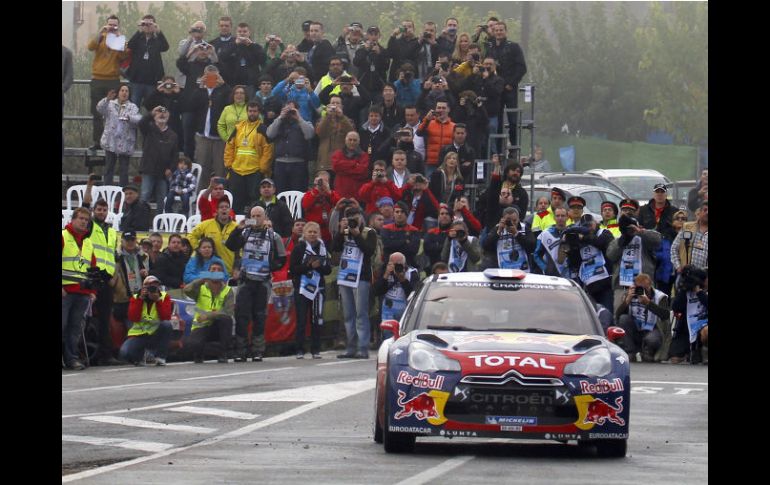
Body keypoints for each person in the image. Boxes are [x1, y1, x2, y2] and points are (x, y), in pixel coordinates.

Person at [225, 206, 287, 361]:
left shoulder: (274, 236)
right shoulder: (245, 233)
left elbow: (282, 259)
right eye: (253, 215)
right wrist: (238, 229)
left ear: (264, 217)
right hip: (246, 280)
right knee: (242, 316)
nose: (256, 218)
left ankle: (258, 350)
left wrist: (269, 267)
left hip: (263, 281)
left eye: (259, 215)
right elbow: (231, 245)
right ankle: (241, 351)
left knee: (260, 316)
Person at [332, 207, 378, 359]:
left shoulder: (368, 232)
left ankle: (362, 348)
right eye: (349, 216)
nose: (353, 219)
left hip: (361, 277)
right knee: (348, 314)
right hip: (346, 275)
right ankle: (351, 347)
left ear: (361, 217)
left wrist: (357, 235)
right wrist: (341, 231)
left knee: (361, 313)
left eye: (355, 216)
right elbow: (335, 248)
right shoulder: (345, 232)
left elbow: (369, 251)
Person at [85, 199, 123, 366]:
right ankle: (82, 352)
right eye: (99, 209)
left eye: (104, 210)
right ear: (94, 210)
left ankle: (105, 354)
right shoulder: (90, 226)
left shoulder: (112, 231)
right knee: (85, 317)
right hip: (92, 277)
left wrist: (113, 277)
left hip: (106, 280)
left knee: (105, 319)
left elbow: (112, 256)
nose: (101, 212)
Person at [62, 208, 98, 370]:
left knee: (75, 329)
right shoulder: (63, 236)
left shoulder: (88, 243)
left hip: (82, 293)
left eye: (86, 219)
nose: (84, 221)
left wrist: (93, 291)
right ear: (73, 219)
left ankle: (71, 359)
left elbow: (93, 270)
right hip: (65, 292)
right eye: (81, 218)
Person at [290, 222, 332, 359]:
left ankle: (316, 349)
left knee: (316, 320)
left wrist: (318, 266)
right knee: (301, 320)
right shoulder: (299, 248)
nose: (312, 234)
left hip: (318, 289)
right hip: (302, 288)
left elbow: (328, 270)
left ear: (318, 233)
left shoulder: (323, 248)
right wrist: (308, 266)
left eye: (315, 232)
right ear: (305, 233)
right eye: (310, 232)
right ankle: (299, 349)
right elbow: (294, 269)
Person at [223, 101, 274, 215]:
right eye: (250, 111)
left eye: (254, 111)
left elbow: (268, 150)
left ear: (258, 113)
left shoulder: (262, 128)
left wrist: (262, 168)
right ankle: (236, 224)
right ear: (247, 112)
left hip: (254, 170)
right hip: (237, 169)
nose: (252, 113)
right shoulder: (238, 127)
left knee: (254, 200)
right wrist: (229, 165)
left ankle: (252, 224)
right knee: (236, 200)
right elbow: (229, 146)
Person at [88, 15, 129, 151]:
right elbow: (90, 46)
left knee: (114, 112)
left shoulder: (120, 39)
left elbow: (124, 56)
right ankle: (97, 142)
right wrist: (101, 32)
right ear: (106, 24)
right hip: (98, 79)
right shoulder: (100, 37)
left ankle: (112, 141)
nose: (112, 27)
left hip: (112, 80)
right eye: (110, 24)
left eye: (114, 25)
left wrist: (119, 39)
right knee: (97, 113)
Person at [183, 262, 234, 363]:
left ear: (223, 274)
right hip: (201, 326)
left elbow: (228, 312)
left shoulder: (228, 290)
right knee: (191, 345)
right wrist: (201, 280)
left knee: (226, 320)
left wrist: (209, 315)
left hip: (218, 326)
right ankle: (199, 353)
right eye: (213, 270)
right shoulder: (201, 288)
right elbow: (187, 290)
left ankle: (223, 353)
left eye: (218, 270)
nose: (215, 272)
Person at [607, 214, 662, 308]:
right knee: (620, 318)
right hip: (622, 287)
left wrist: (640, 232)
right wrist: (624, 239)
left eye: (632, 227)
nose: (630, 230)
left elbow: (657, 241)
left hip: (644, 286)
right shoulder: (618, 240)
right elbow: (610, 255)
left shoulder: (644, 238)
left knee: (645, 316)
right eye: (628, 228)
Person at [487, 21, 527, 149]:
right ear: (493, 32)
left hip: (509, 89)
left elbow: (522, 67)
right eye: (496, 30)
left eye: (501, 30)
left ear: (506, 32)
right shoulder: (490, 48)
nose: (498, 32)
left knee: (513, 120)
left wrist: (511, 83)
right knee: (497, 122)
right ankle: (498, 150)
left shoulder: (513, 47)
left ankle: (514, 147)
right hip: (495, 90)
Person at [615, 273, 669, 362]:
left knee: (652, 339)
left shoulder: (660, 297)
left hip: (653, 330)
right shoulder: (630, 295)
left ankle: (648, 352)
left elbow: (665, 315)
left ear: (650, 286)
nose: (642, 291)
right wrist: (626, 301)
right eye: (639, 288)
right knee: (623, 319)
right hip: (636, 329)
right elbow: (617, 316)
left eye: (644, 288)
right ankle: (630, 352)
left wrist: (649, 303)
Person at [119, 275, 173, 366]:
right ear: (144, 288)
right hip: (140, 335)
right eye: (150, 287)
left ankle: (160, 357)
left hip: (156, 334)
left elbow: (166, 317)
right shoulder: (136, 297)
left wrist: (158, 300)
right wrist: (140, 300)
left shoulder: (164, 297)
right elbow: (133, 317)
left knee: (167, 325)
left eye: (155, 286)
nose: (153, 289)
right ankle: (140, 356)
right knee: (125, 353)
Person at [96, 85, 142, 186]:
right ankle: (106, 191)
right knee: (108, 168)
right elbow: (99, 108)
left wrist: (129, 118)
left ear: (129, 94)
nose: (124, 93)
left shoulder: (133, 107)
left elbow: (139, 119)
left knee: (124, 170)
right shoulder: (110, 104)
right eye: (122, 90)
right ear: (118, 92)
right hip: (110, 141)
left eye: (126, 91)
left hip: (125, 142)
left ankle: (123, 193)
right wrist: (107, 99)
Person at [266, 101, 315, 193]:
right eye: (286, 110)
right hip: (280, 164)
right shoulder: (278, 123)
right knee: (280, 193)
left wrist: (299, 118)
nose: (289, 113)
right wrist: (280, 117)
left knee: (298, 192)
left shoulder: (304, 122)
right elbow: (270, 134)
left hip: (298, 164)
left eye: (292, 110)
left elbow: (309, 134)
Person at [138, 106, 179, 209]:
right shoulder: (149, 129)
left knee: (162, 200)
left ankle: (160, 224)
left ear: (168, 116)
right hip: (148, 169)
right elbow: (141, 123)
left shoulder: (173, 135)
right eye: (159, 112)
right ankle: (140, 222)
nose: (162, 114)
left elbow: (175, 155)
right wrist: (151, 113)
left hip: (163, 173)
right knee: (144, 196)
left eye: (165, 112)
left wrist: (171, 169)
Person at [126, 15, 169, 108]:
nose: (147, 26)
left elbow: (165, 47)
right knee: (133, 108)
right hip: (136, 80)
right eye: (145, 23)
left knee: (152, 108)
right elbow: (130, 45)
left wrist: (158, 31)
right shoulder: (138, 38)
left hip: (152, 82)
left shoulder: (156, 39)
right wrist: (139, 30)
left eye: (150, 24)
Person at [373, 252, 419, 340]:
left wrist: (402, 279)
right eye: (392, 264)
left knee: (403, 333)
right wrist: (386, 275)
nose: (395, 267)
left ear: (404, 264)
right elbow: (376, 291)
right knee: (387, 334)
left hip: (404, 308)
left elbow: (413, 293)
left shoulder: (412, 272)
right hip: (388, 308)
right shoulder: (385, 270)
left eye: (398, 264)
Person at [188, 198, 239, 274]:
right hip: (209, 269)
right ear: (217, 210)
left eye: (227, 207)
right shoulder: (206, 224)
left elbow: (240, 250)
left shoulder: (236, 227)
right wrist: (198, 248)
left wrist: (237, 267)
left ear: (230, 210)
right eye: (221, 207)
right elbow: (191, 236)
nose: (224, 209)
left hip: (228, 269)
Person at [112, 231, 149, 334]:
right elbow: (112, 280)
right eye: (127, 240)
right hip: (124, 301)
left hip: (141, 297)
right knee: (134, 330)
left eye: (132, 240)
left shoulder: (143, 256)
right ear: (122, 241)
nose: (130, 242)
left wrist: (146, 273)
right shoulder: (115, 257)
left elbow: (149, 275)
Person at [670, 265, 708, 364]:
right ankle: (689, 352)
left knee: (706, 331)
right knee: (675, 359)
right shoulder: (685, 293)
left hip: (704, 327)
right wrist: (684, 290)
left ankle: (704, 349)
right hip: (687, 329)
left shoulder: (704, 292)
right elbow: (675, 307)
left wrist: (699, 292)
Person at [482, 206, 534, 271]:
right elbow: (485, 245)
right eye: (509, 221)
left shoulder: (524, 228)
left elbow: (532, 246)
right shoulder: (498, 228)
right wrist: (498, 232)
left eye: (514, 220)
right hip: (503, 269)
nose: (512, 223)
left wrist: (517, 234)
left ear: (518, 219)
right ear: (503, 219)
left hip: (522, 269)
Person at [225, 22, 266, 98]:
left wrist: (251, 45)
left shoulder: (255, 46)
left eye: (244, 31)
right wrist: (234, 44)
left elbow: (262, 59)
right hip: (234, 84)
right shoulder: (231, 45)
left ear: (249, 33)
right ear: (236, 33)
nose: (242, 34)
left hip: (251, 84)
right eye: (239, 32)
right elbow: (222, 57)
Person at [416, 100, 455, 178]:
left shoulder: (454, 126)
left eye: (443, 108)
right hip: (431, 163)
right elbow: (419, 132)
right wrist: (427, 119)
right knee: (430, 186)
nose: (441, 110)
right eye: (439, 108)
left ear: (448, 110)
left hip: (447, 163)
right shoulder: (429, 123)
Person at [302, 171, 342, 244]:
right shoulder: (310, 193)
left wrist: (328, 191)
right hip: (312, 230)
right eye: (321, 180)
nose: (322, 183)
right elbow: (305, 205)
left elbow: (340, 205)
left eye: (325, 181)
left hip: (327, 230)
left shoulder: (332, 193)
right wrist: (316, 191)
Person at [381, 201, 421, 269]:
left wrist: (394, 243)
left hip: (408, 264)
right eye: (397, 212)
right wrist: (405, 241)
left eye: (402, 212)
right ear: (393, 214)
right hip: (389, 265)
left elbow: (413, 250)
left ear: (406, 214)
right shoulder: (386, 228)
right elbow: (387, 245)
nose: (399, 214)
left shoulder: (414, 230)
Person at [671, 200, 708, 273]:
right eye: (705, 210)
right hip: (685, 275)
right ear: (699, 212)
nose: (707, 212)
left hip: (705, 278)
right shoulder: (687, 227)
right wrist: (678, 267)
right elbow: (674, 248)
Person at [331, 131, 370, 200]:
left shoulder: (364, 155)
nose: (352, 142)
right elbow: (335, 166)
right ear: (345, 140)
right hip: (340, 193)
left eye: (355, 140)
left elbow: (362, 172)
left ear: (359, 142)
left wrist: (343, 169)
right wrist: (354, 164)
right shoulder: (337, 153)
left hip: (357, 195)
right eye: (350, 139)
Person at [533, 207, 571, 277]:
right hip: (552, 275)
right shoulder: (545, 234)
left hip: (569, 274)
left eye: (562, 216)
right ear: (554, 218)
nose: (560, 218)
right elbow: (536, 255)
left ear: (567, 217)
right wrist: (545, 268)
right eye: (557, 216)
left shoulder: (572, 233)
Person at [354, 26, 389, 95]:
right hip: (363, 86)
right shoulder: (361, 50)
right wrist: (366, 50)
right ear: (367, 36)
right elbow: (356, 62)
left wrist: (379, 54)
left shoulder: (383, 51)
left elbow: (386, 67)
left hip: (379, 87)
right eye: (371, 34)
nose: (373, 37)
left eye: (375, 34)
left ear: (379, 36)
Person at [424, 204, 453, 269]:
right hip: (434, 266)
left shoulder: (454, 232)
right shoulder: (431, 232)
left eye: (447, 214)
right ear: (438, 217)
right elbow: (427, 248)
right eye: (442, 214)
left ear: (451, 217)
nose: (444, 216)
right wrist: (443, 246)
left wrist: (437, 246)